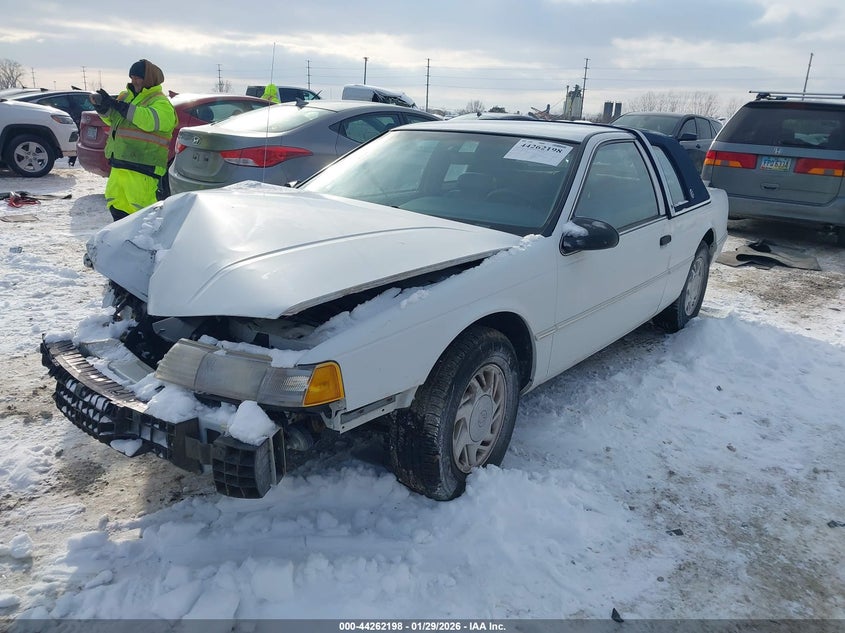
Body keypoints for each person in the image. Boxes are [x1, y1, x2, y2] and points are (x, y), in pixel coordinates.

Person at [90, 59, 177, 221]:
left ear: (149, 79)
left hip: (144, 167)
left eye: (138, 78)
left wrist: (122, 107)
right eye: (132, 77)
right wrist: (103, 108)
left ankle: (146, 244)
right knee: (116, 203)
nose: (134, 81)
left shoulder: (160, 102)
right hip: (120, 163)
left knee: (142, 211)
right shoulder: (126, 97)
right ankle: (121, 239)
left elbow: (150, 120)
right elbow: (113, 120)